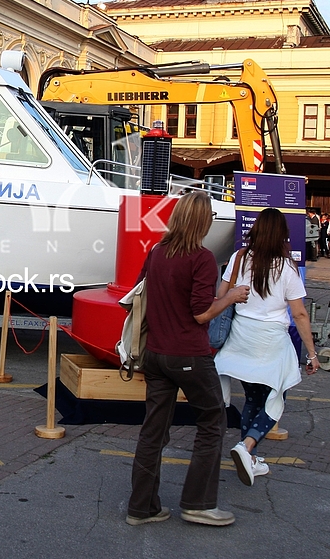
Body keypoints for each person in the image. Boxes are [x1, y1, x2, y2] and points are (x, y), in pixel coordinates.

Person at [127, 192, 250, 528]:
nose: (212, 218)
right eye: (209, 214)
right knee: (213, 422)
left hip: (155, 353)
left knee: (153, 430)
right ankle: (198, 503)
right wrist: (233, 297)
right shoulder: (202, 258)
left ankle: (142, 507)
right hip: (189, 355)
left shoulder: (157, 252)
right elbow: (200, 314)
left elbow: (142, 292)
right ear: (201, 220)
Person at [214, 208, 319, 487]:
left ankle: (253, 459)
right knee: (276, 398)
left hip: (240, 337)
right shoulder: (286, 268)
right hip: (271, 342)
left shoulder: (239, 258)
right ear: (282, 234)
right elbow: (299, 315)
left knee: (252, 398)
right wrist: (312, 353)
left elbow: (221, 297)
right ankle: (246, 447)